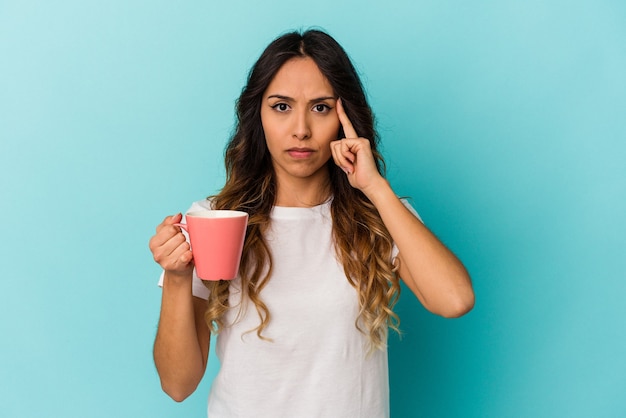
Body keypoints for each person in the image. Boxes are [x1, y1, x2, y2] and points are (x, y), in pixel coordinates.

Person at [149, 29, 474, 417]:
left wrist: (375, 188)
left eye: (320, 107)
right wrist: (178, 277)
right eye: (281, 107)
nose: (300, 129)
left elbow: (455, 300)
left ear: (344, 118)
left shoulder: (379, 215)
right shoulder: (213, 218)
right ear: (258, 115)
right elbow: (177, 384)